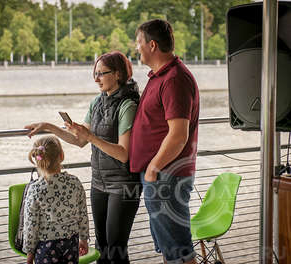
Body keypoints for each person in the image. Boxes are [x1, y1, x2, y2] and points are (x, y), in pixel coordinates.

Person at [24, 51, 141, 264]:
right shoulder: (97, 102)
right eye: (94, 74)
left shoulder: (128, 106)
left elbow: (124, 154)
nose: (96, 79)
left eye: (101, 74)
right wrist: (49, 127)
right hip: (99, 182)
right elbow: (79, 140)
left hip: (123, 184)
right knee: (101, 245)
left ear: (117, 74)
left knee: (116, 248)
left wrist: (91, 137)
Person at [129, 19, 200, 264]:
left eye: (138, 43)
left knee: (179, 250)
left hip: (166, 176)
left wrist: (153, 168)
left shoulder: (174, 79)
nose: (136, 48)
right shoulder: (160, 76)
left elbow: (179, 135)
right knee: (170, 247)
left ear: (152, 45)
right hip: (160, 177)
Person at [22, 136, 89, 264]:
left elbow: (31, 225)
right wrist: (84, 240)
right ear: (62, 155)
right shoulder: (75, 182)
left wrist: (29, 255)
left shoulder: (35, 189)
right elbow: (82, 215)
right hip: (71, 244)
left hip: (46, 246)